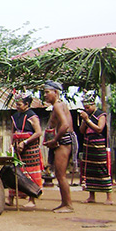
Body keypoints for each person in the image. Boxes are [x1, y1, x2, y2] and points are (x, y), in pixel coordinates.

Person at [42, 80, 76, 213]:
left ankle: (68, 204)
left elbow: (65, 125)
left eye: (47, 92)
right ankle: (64, 203)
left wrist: (55, 140)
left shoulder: (57, 106)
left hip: (63, 140)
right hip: (62, 140)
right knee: (59, 174)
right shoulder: (59, 105)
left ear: (55, 93)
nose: (45, 95)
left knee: (61, 175)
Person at [9, 93, 43, 209]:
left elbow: (38, 132)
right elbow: (12, 132)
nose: (17, 106)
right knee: (15, 171)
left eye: (19, 104)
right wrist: (11, 144)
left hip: (30, 149)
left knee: (31, 173)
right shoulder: (15, 116)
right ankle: (11, 198)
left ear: (27, 104)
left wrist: (25, 142)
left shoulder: (32, 116)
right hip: (17, 148)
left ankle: (32, 199)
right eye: (16, 104)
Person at [79, 95, 113, 204]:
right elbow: (81, 130)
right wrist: (84, 121)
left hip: (98, 145)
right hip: (88, 144)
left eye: (88, 107)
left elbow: (99, 129)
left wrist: (88, 120)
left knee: (102, 169)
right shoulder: (86, 116)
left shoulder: (100, 115)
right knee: (89, 169)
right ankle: (91, 196)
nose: (86, 109)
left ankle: (109, 197)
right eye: (85, 108)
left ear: (93, 105)